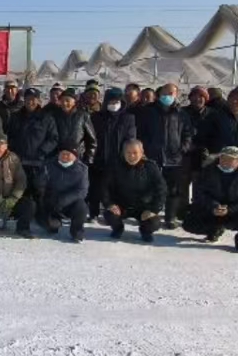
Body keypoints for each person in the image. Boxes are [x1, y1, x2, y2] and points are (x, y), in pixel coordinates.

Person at [136, 83, 192, 229]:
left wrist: (183, 148)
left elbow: (187, 133)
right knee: (150, 187)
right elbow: (140, 132)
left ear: (176, 95)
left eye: (171, 93)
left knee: (173, 189)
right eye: (165, 93)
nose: (168, 96)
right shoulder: (148, 112)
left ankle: (170, 217)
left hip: (174, 157)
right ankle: (148, 214)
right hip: (152, 156)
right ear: (159, 94)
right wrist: (144, 149)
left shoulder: (181, 113)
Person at [183, 146, 238, 252]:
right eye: (223, 158)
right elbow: (200, 193)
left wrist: (229, 209)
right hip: (213, 209)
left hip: (235, 210)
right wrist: (213, 206)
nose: (225, 162)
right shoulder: (208, 170)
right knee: (189, 222)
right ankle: (214, 230)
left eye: (230, 159)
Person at [103, 140, 167, 242]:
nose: (131, 156)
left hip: (144, 206)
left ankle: (145, 231)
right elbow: (105, 187)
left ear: (141, 153)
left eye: (135, 152)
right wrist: (110, 204)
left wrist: (153, 210)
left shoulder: (151, 167)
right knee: (109, 215)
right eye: (128, 153)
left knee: (154, 222)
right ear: (123, 153)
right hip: (122, 205)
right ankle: (118, 229)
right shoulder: (115, 166)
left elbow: (161, 190)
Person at [88, 87, 136, 219]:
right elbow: (91, 137)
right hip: (99, 158)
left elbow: (130, 138)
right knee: (95, 187)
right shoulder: (97, 117)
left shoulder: (128, 118)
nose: (114, 104)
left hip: (119, 159)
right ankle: (93, 212)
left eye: (116, 102)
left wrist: (126, 156)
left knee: (116, 188)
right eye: (111, 102)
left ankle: (115, 213)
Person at [7, 88, 58, 206]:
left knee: (39, 192)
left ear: (38, 100)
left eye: (33, 99)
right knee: (20, 191)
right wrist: (14, 152)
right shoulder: (15, 117)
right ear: (24, 100)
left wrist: (42, 151)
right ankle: (21, 212)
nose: (30, 102)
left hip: (39, 163)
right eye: (28, 99)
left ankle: (40, 212)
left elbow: (53, 138)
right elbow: (9, 136)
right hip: (20, 162)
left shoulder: (46, 117)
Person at [41, 144, 89, 243]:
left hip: (69, 203)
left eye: (68, 154)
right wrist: (41, 180)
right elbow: (41, 186)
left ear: (74, 156)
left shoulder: (82, 169)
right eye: (62, 153)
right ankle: (54, 223)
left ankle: (77, 232)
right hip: (52, 202)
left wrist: (64, 200)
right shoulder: (48, 165)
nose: (65, 156)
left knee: (82, 207)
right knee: (51, 224)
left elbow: (82, 191)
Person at [181, 86, 211, 221]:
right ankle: (181, 211)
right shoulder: (182, 112)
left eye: (201, 97)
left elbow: (216, 135)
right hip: (184, 154)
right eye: (194, 96)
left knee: (200, 186)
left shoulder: (212, 114)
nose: (198, 99)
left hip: (203, 155)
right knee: (182, 185)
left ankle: (197, 211)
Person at [52, 88, 96, 163]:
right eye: (62, 101)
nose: (64, 103)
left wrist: (88, 159)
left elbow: (92, 141)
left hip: (78, 158)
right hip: (58, 158)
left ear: (74, 102)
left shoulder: (83, 116)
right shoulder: (54, 116)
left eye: (67, 101)